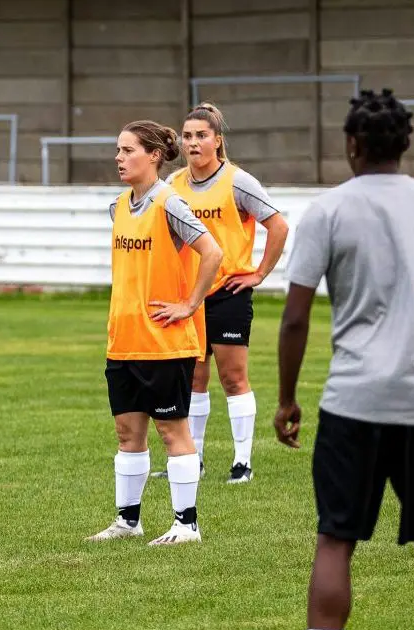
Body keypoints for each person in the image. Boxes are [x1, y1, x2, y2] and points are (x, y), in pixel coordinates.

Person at [275, 89, 414, 630]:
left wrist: (288, 399)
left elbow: (296, 317)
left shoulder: (327, 210)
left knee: (336, 540)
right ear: (402, 144)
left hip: (354, 401)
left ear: (351, 144)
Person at [86, 120, 223, 546]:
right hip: (124, 340)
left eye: (128, 150)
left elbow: (212, 252)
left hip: (165, 343)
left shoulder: (170, 204)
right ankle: (128, 521)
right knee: (128, 433)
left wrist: (190, 303)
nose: (119, 158)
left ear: (154, 156)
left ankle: (187, 525)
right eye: (119, 150)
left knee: (172, 432)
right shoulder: (119, 206)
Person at [159, 103, 290, 484]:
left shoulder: (238, 182)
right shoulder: (173, 186)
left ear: (218, 140)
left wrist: (259, 274)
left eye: (201, 135)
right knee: (195, 378)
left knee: (233, 378)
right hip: (191, 297)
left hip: (229, 292)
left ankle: (242, 462)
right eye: (187, 136)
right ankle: (193, 458)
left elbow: (278, 227)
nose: (193, 142)